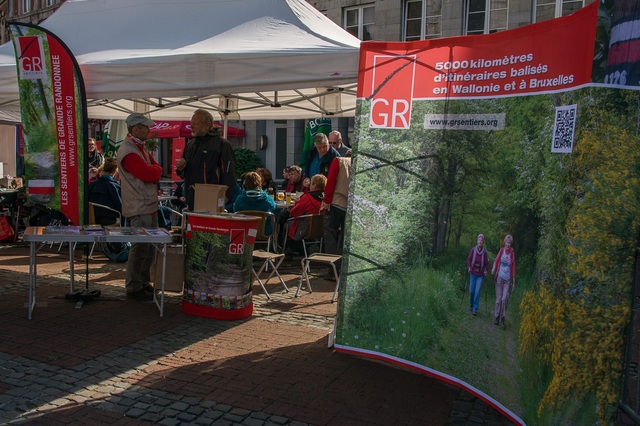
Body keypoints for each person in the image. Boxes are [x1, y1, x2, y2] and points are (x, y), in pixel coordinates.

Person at [116, 113, 163, 300]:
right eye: (145, 127)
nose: (149, 130)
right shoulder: (129, 151)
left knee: (149, 247)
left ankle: (142, 282)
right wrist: (155, 171)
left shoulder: (138, 148)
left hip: (147, 203)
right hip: (139, 205)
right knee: (140, 247)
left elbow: (155, 168)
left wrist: (155, 171)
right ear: (136, 129)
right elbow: (149, 173)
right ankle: (134, 285)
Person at [175, 108, 237, 211]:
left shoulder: (222, 144)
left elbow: (229, 174)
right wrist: (181, 168)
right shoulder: (191, 144)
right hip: (192, 199)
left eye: (195, 123)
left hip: (212, 200)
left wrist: (223, 198)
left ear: (207, 125)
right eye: (191, 123)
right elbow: (183, 173)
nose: (191, 126)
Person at [282, 174, 326, 255]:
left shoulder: (307, 197)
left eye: (311, 183)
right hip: (321, 229)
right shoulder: (326, 199)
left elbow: (294, 213)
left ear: (314, 185)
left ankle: (287, 250)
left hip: (304, 228)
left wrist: (297, 203)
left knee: (287, 224)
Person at [320, 154, 351, 257]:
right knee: (346, 237)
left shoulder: (339, 161)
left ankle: (332, 265)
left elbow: (331, 182)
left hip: (336, 203)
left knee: (330, 234)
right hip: (350, 205)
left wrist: (326, 201)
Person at [491, 234, 516, 328]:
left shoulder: (512, 253)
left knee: (504, 299)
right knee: (498, 300)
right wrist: (493, 269)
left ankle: (503, 318)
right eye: (507, 242)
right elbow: (496, 261)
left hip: (507, 280)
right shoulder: (501, 251)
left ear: (511, 243)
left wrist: (513, 280)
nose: (508, 244)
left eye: (509, 243)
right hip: (500, 278)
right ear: (504, 242)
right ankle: (496, 317)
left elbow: (513, 266)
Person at [88, 158, 122, 226]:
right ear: (114, 172)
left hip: (91, 218)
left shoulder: (92, 185)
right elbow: (120, 206)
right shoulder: (115, 186)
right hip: (109, 219)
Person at [466, 233, 489, 316]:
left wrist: (486, 270)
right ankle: (471, 305)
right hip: (473, 273)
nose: (480, 241)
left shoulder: (485, 252)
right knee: (471, 291)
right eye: (479, 240)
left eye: (481, 240)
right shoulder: (473, 250)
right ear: (477, 241)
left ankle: (475, 309)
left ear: (483, 242)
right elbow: (469, 260)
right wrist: (469, 267)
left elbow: (487, 263)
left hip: (480, 275)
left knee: (477, 291)